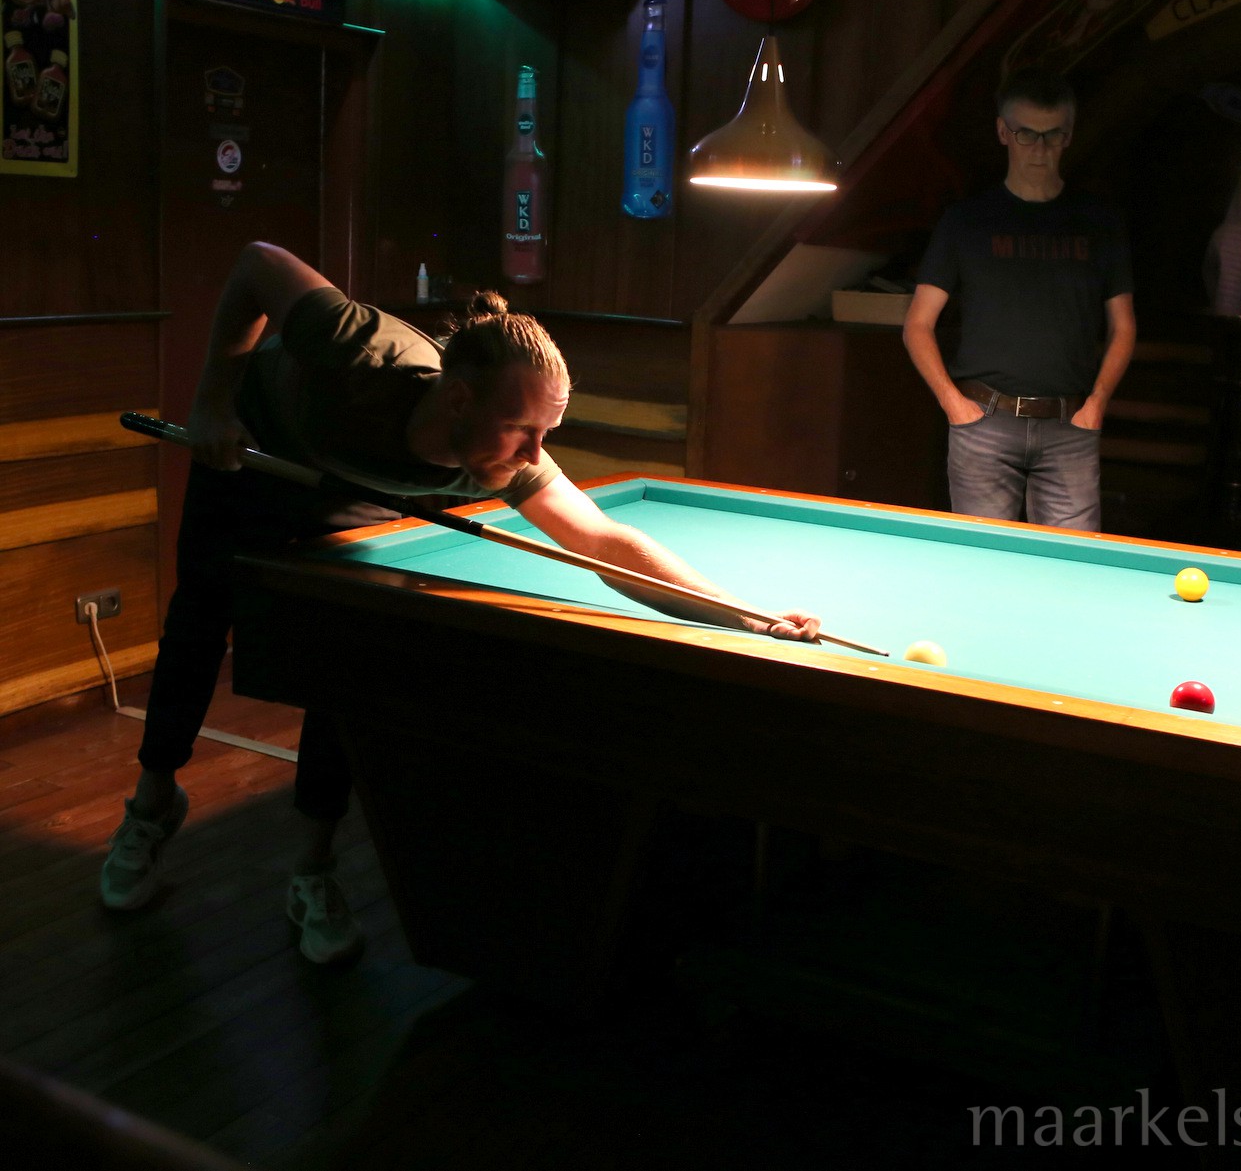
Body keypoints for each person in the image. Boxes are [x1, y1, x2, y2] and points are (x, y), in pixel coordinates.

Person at [101, 242, 823, 963]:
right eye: (522, 429)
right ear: (457, 400)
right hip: (252, 444)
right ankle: (152, 803)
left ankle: (313, 868)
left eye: (547, 433)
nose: (535, 454)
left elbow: (604, 543)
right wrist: (211, 403)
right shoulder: (358, 351)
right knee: (199, 621)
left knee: (341, 657)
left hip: (350, 487)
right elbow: (257, 264)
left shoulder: (509, 457)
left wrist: (747, 616)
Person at [903, 66, 1137, 532]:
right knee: (983, 559)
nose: (1040, 149)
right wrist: (953, 404)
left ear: (1069, 136)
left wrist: (1097, 403)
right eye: (1027, 134)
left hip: (1071, 422)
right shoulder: (967, 221)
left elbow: (1124, 326)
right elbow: (917, 324)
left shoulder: (1099, 223)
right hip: (983, 421)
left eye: (1053, 135)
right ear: (1003, 132)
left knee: (1071, 560)